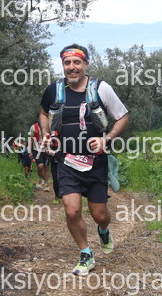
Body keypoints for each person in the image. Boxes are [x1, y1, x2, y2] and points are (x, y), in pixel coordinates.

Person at [39, 44, 129, 275]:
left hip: (95, 163)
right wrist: (46, 133)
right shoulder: (53, 91)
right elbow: (43, 113)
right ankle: (85, 254)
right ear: (63, 65)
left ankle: (103, 230)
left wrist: (106, 139)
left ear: (86, 64)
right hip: (65, 162)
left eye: (77, 62)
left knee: (100, 215)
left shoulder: (101, 89)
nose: (72, 67)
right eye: (67, 63)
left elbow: (122, 117)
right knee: (72, 211)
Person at [28, 120, 50, 191]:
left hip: (46, 150)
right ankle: (41, 179)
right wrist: (29, 152)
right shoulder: (33, 127)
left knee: (46, 167)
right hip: (37, 150)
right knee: (40, 166)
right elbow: (30, 140)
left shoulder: (48, 126)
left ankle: (46, 184)